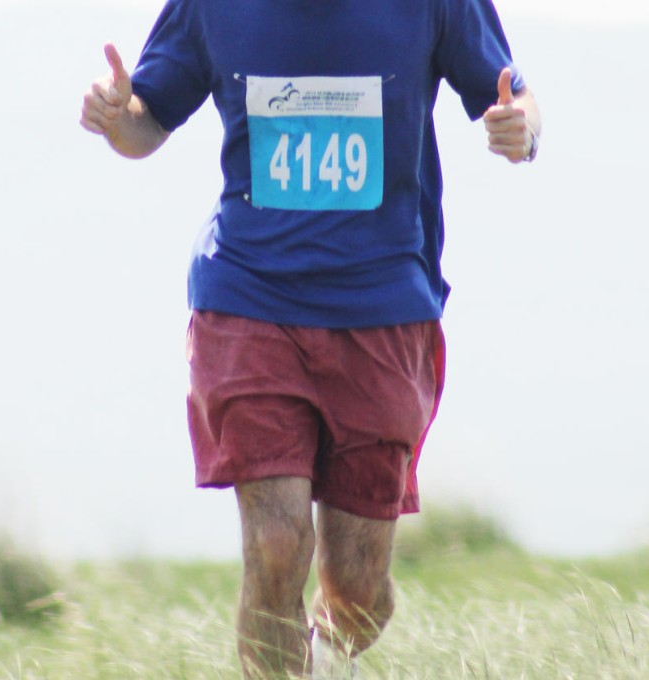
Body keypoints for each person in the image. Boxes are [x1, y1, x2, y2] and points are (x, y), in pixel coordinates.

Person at [81, 0, 540, 676]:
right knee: (274, 543)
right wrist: (119, 120)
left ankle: (326, 662)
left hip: (381, 312)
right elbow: (146, 122)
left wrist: (518, 130)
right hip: (247, 298)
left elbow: (518, 102)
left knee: (357, 595)